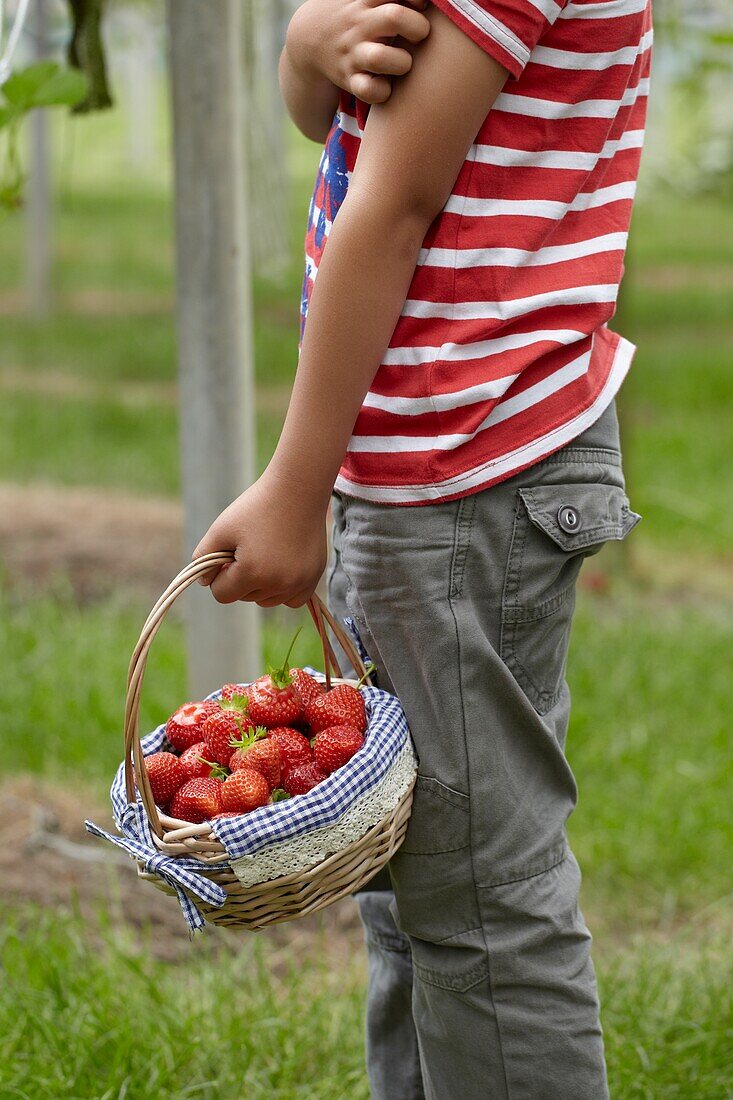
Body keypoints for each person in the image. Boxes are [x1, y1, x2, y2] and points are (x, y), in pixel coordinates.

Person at [194, 0, 652, 1095]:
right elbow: (347, 112)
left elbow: (396, 200)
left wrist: (295, 490)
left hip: (464, 467)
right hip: (433, 465)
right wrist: (307, 49)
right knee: (422, 888)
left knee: (481, 909)